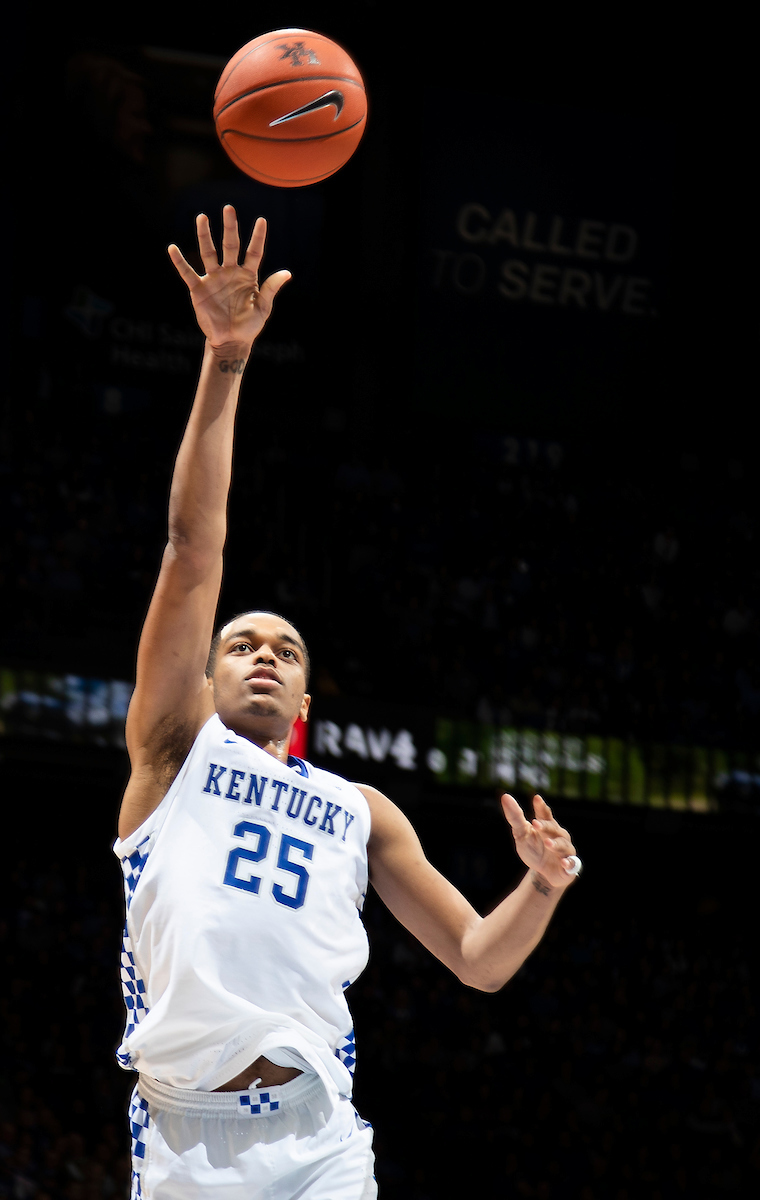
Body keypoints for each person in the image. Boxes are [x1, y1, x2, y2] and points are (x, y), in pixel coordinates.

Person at [114, 206, 582, 1199]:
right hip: (184, 1136)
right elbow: (192, 552)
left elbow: (475, 960)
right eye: (239, 644)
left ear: (304, 703)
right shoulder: (171, 752)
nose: (261, 656)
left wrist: (537, 890)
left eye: (283, 650)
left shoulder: (359, 809)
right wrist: (226, 360)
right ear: (200, 681)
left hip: (320, 1131)